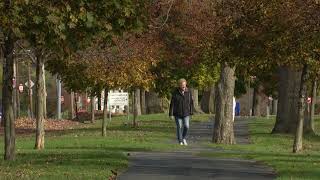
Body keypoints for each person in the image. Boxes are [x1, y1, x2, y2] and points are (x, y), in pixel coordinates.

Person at [169, 78, 194, 146]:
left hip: (186, 113)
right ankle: (180, 141)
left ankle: (183, 138)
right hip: (177, 113)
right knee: (179, 126)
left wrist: (191, 112)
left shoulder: (189, 92)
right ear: (179, 85)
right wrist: (171, 114)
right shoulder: (175, 93)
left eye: (185, 85)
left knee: (186, 126)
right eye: (182, 85)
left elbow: (191, 103)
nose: (184, 87)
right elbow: (172, 104)